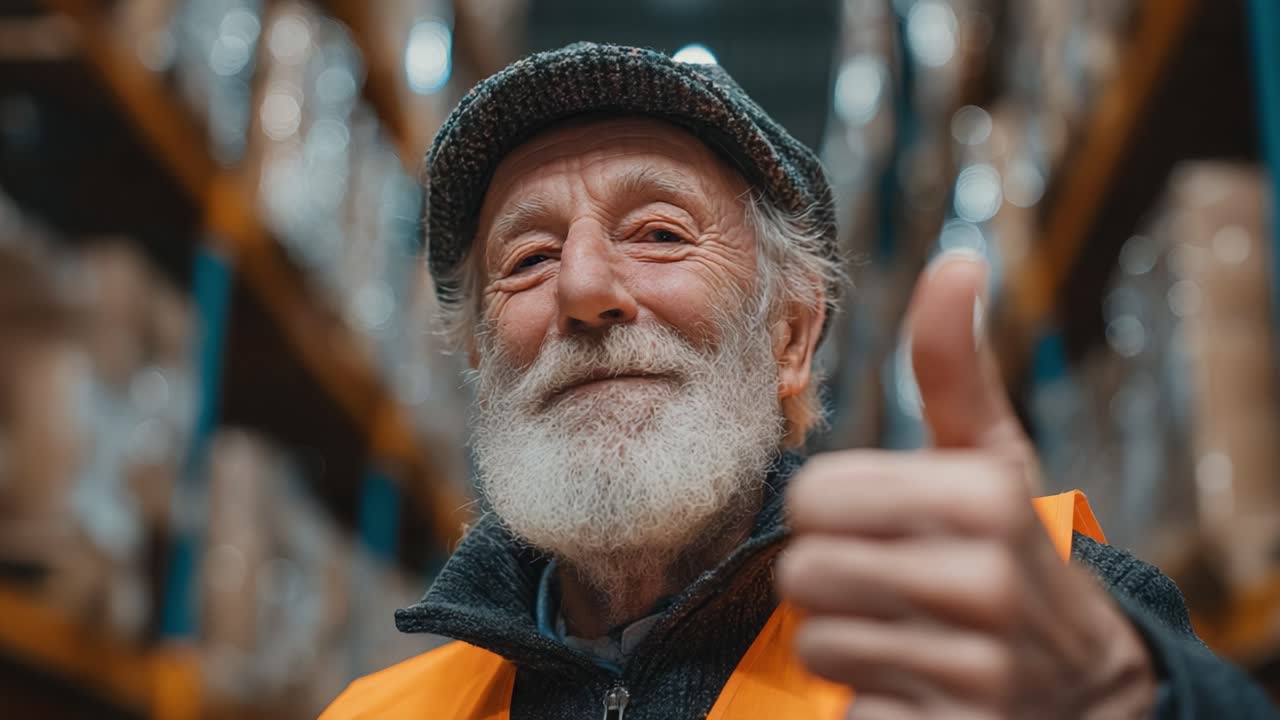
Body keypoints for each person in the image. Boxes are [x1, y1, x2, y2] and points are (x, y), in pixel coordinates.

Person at [321, 42, 1278, 719]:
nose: (581, 288)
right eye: (526, 257)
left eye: (660, 232)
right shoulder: (380, 713)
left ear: (791, 336)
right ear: (486, 358)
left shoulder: (1027, 621)